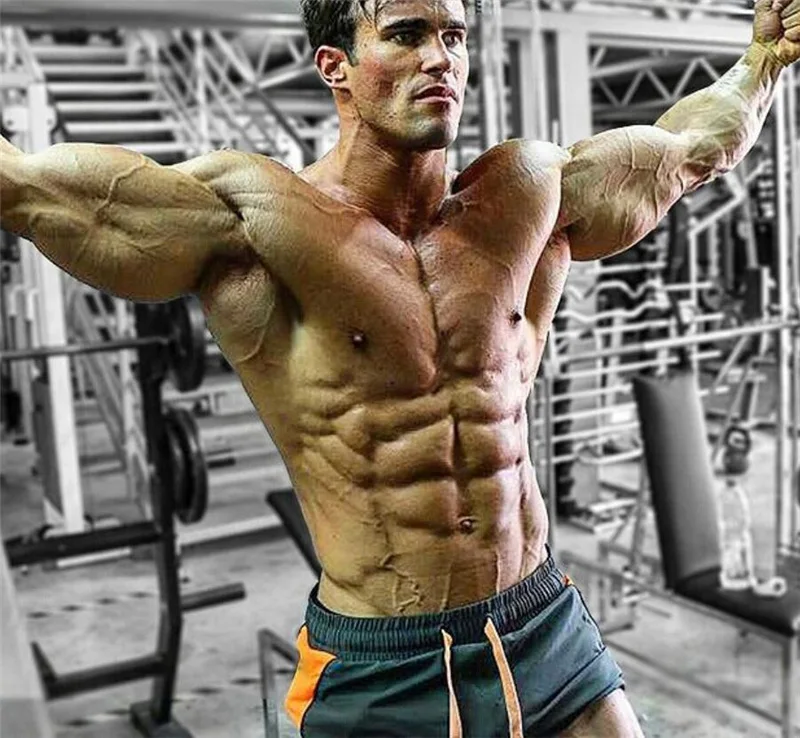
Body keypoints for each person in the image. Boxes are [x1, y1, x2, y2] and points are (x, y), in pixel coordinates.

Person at [1, 0, 798, 734]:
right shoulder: (251, 221)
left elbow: (695, 148)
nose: (440, 58)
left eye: (453, 36)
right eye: (407, 35)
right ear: (335, 66)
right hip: (380, 660)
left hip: (540, 619)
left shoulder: (531, 193)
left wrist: (762, 58)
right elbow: (27, 191)